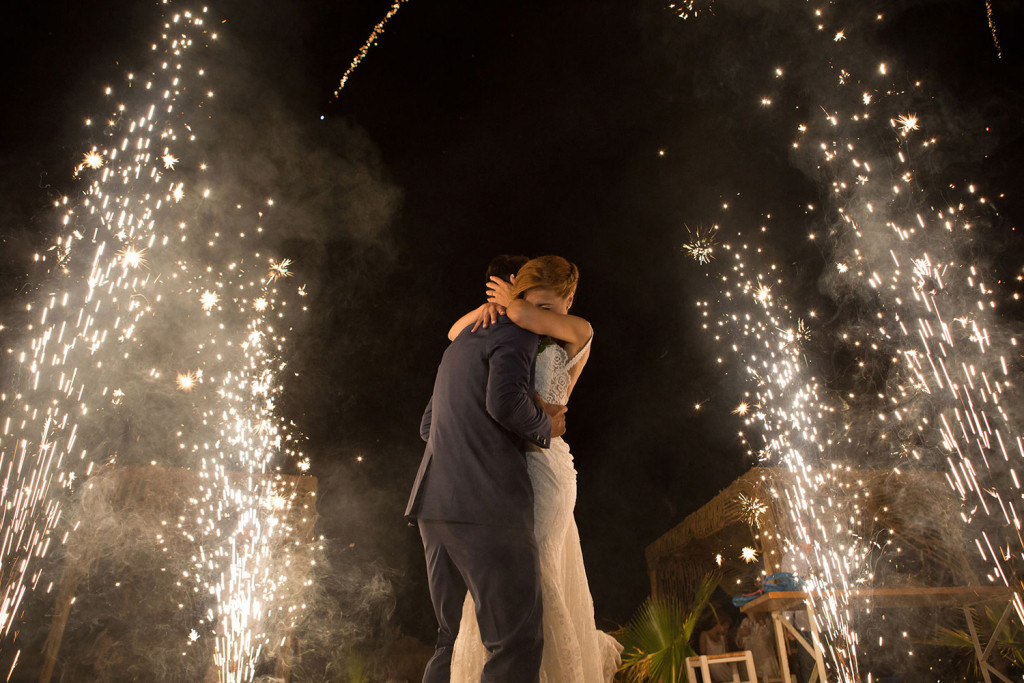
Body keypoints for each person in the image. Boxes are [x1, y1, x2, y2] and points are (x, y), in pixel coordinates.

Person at [448, 255, 622, 682]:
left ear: (569, 299)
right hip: (506, 468)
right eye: (532, 304)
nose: (537, 315)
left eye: (550, 306)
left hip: (546, 469)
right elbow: (455, 333)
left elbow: (525, 315)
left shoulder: (578, 330)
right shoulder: (515, 320)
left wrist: (514, 304)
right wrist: (493, 307)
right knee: (501, 580)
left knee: (537, 573)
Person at [405, 254, 568, 683]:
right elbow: (503, 403)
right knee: (514, 644)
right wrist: (544, 426)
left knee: (450, 638)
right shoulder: (517, 334)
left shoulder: (461, 343)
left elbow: (427, 426)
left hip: (432, 506)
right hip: (485, 506)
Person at [736, 612, 781, 681]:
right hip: (752, 660)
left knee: (769, 679)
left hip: (766, 660)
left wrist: (761, 621)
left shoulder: (766, 620)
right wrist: (740, 634)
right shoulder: (745, 622)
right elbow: (740, 644)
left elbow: (771, 637)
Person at [699, 617, 734, 682]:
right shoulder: (704, 635)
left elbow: (727, 655)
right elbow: (703, 655)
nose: (725, 631)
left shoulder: (723, 637)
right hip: (713, 668)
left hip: (725, 667)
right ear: (718, 624)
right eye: (724, 628)